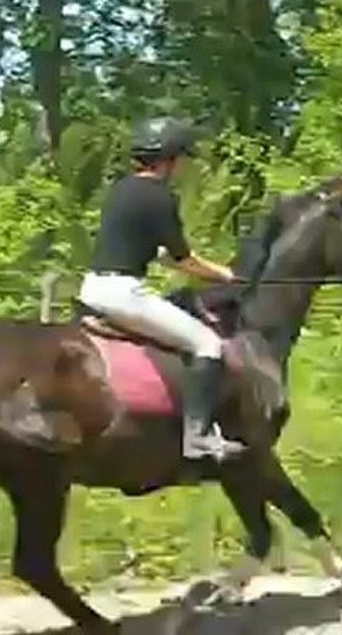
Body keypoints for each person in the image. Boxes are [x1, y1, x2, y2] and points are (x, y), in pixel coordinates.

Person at [78, 116, 248, 462]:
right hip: (123, 295)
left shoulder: (121, 189)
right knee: (208, 344)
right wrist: (224, 275)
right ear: (170, 159)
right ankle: (198, 438)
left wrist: (194, 266)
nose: (182, 166)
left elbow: (153, 251)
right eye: (181, 158)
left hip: (92, 287)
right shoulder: (160, 197)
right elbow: (184, 260)